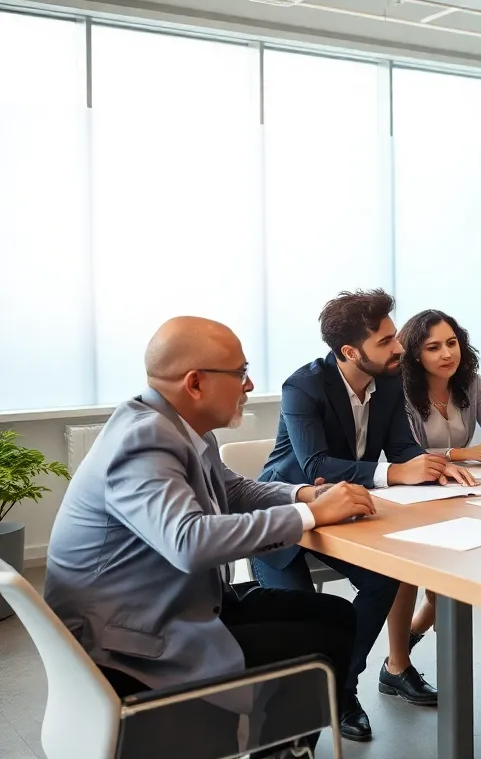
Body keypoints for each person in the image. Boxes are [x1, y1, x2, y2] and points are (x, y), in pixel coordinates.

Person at [44, 317, 374, 758]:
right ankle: (273, 743)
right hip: (132, 645)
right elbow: (190, 541)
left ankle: (280, 747)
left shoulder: (178, 427)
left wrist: (306, 492)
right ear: (195, 383)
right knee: (313, 645)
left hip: (166, 605)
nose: (250, 384)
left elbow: (234, 489)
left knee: (335, 618)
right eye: (240, 373)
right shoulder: (143, 441)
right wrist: (310, 515)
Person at [255, 290, 475, 742]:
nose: (399, 348)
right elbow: (315, 466)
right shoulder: (304, 386)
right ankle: (313, 704)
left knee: (384, 579)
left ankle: (342, 688)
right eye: (386, 341)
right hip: (285, 518)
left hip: (348, 513)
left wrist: (435, 466)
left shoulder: (391, 382)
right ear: (350, 352)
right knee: (305, 618)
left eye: (394, 337)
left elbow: (401, 449)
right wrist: (396, 472)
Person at [393, 308, 481, 655]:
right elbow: (407, 453)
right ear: (415, 353)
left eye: (452, 343)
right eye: (433, 347)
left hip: (465, 488)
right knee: (443, 581)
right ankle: (406, 643)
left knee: (459, 575)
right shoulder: (400, 391)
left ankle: (409, 637)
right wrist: (460, 454)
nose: (447, 354)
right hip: (417, 492)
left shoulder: (471, 382)